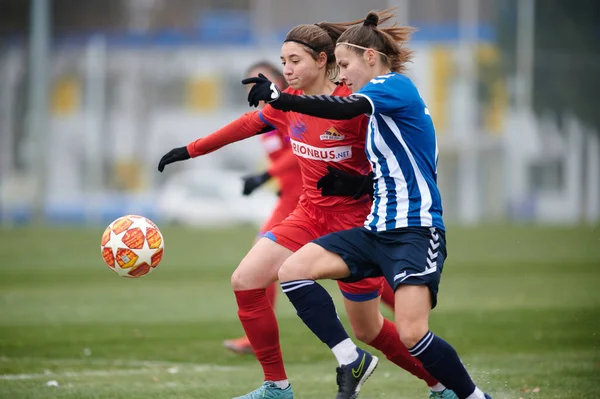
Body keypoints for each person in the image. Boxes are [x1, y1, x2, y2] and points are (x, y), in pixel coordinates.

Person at [159, 17, 452, 399]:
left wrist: (360, 183)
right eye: (283, 61)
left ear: (321, 60)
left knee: (369, 330)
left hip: (356, 225)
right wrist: (190, 150)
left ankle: (441, 385)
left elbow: (400, 160)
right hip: (309, 215)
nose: (287, 70)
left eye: (295, 60)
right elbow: (247, 124)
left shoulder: (354, 103)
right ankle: (276, 387)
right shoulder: (289, 104)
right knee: (245, 280)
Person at [244, 9, 492, 399]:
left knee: (412, 333)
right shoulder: (376, 108)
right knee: (293, 271)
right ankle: (350, 358)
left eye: (344, 65)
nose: (341, 76)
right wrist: (357, 182)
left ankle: (471, 396)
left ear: (370, 58)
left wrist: (282, 98)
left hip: (415, 228)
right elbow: (391, 161)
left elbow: (340, 107)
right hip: (375, 229)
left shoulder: (393, 87)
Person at [224, 61, 303, 355]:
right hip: (290, 197)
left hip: (303, 199)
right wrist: (272, 178)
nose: (256, 86)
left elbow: (300, 148)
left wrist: (265, 176)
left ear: (280, 81)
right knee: (356, 272)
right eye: (251, 82)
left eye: (264, 79)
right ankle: (257, 338)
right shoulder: (266, 117)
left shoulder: (289, 109)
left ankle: (257, 340)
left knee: (258, 264)